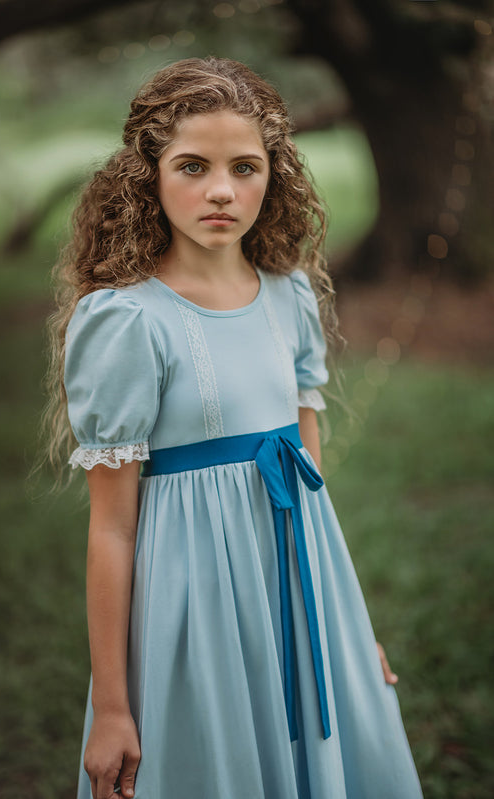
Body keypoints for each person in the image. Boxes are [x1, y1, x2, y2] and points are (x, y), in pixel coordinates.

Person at [47, 57, 423, 799]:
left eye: (244, 167)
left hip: (298, 597)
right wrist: (115, 706)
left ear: (273, 175)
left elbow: (310, 493)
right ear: (147, 174)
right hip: (197, 615)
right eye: (192, 165)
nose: (221, 189)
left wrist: (347, 629)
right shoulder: (127, 320)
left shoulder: (288, 298)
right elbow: (113, 530)